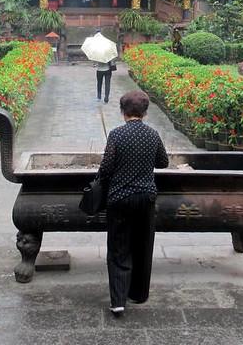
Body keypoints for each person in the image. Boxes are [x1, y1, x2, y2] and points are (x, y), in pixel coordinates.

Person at [96, 90, 168, 317]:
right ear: (145, 112)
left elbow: (106, 169)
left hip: (120, 198)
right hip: (146, 198)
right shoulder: (153, 135)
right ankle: (139, 293)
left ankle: (118, 300)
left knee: (119, 249)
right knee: (143, 245)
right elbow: (163, 162)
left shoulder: (116, 135)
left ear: (122, 111)